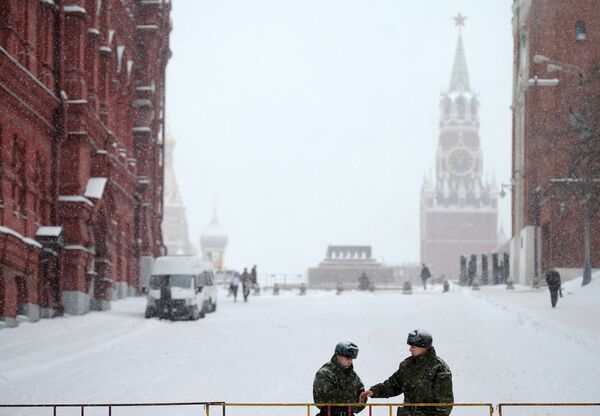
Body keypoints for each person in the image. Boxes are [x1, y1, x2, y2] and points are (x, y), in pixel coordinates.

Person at [359, 329, 453, 416]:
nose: (410, 349)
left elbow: (445, 403)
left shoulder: (439, 368)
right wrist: (374, 391)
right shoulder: (407, 365)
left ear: (424, 347)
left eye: (413, 347)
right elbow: (394, 385)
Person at [313, 341, 366, 416]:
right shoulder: (325, 373)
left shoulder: (353, 376)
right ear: (338, 356)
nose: (350, 361)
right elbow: (325, 397)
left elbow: (361, 400)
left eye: (352, 359)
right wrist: (351, 399)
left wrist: (355, 401)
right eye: (348, 358)